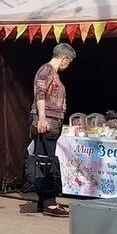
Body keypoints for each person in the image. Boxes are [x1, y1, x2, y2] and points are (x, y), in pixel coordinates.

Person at [30, 43, 76, 217]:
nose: (68, 65)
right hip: (46, 121)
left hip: (52, 122)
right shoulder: (46, 71)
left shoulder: (53, 73)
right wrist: (42, 118)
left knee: (45, 160)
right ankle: (49, 203)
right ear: (64, 58)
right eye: (69, 61)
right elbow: (40, 94)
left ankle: (43, 201)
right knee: (47, 161)